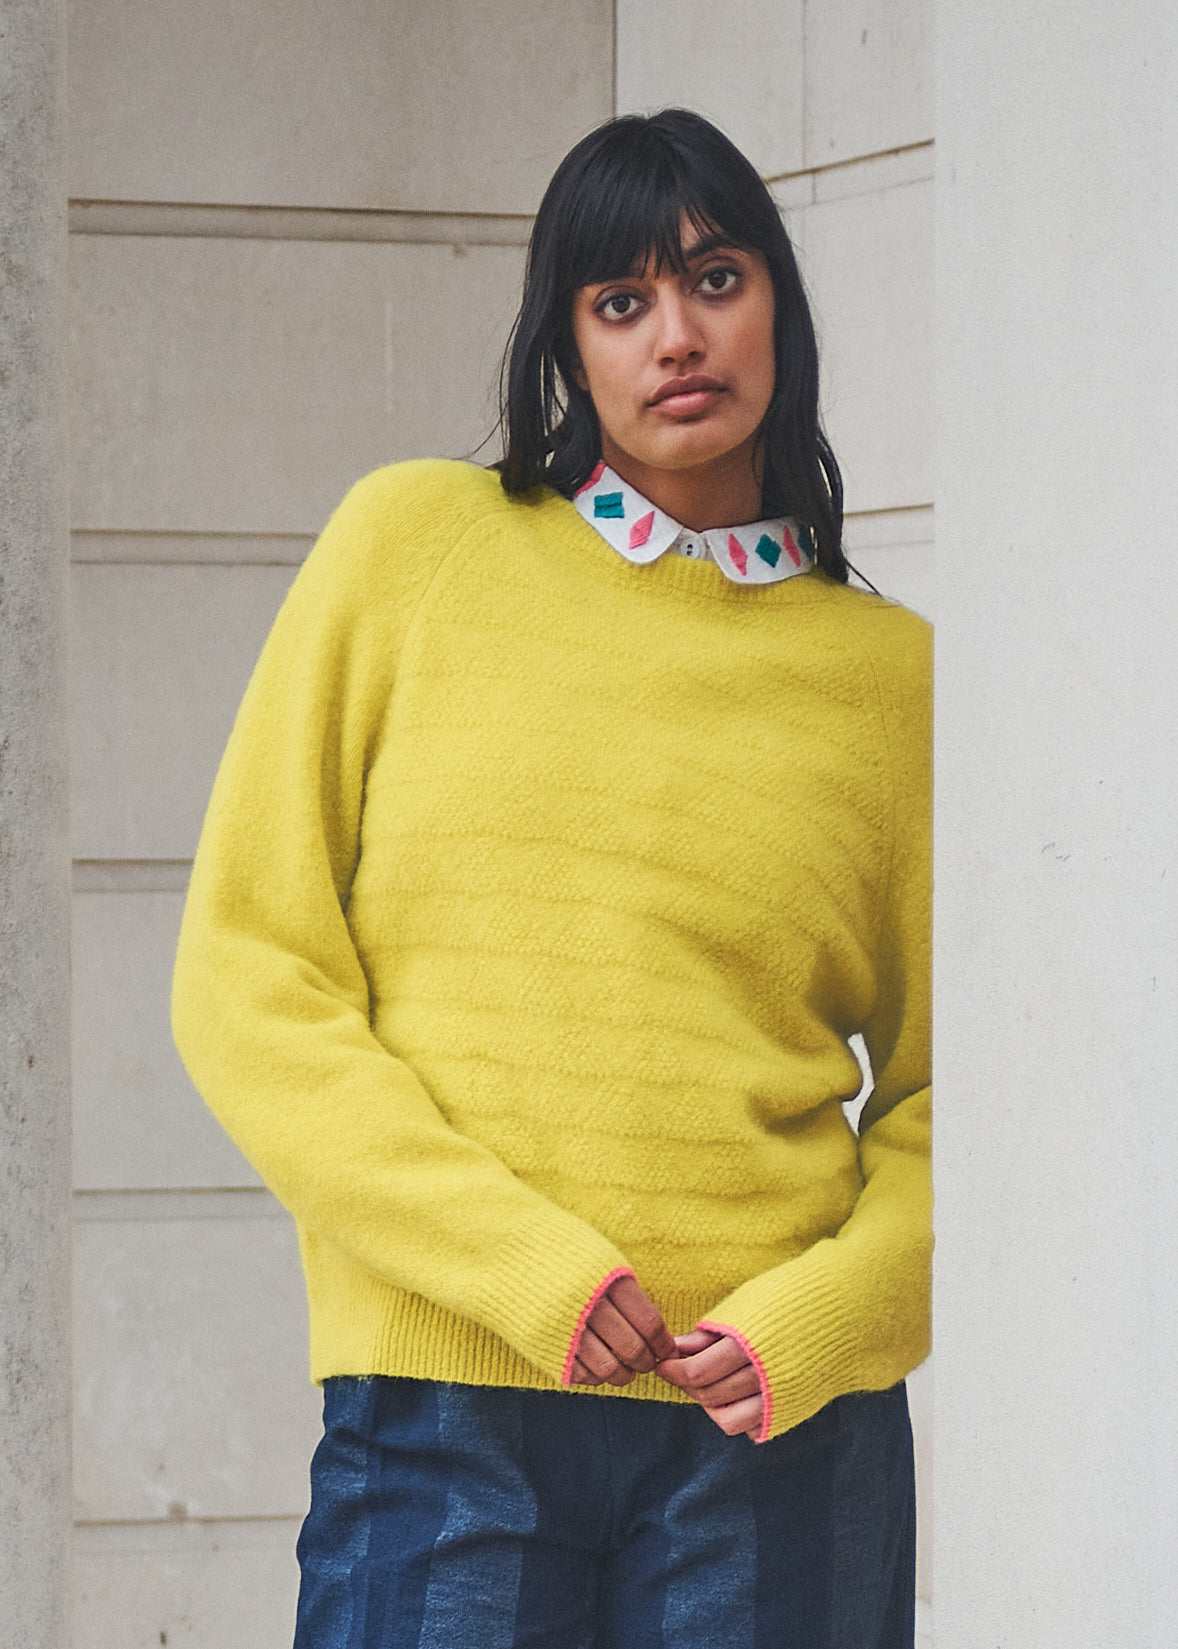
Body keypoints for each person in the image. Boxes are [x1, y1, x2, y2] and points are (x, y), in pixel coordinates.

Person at [172, 107, 930, 1649]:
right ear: (564, 344)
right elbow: (252, 978)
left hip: (775, 1431)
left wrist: (825, 1315)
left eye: (714, 278)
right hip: (448, 1407)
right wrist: (524, 1265)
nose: (675, 335)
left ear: (777, 299)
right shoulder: (412, 547)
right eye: (619, 300)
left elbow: (977, 1098)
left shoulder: (890, 681)